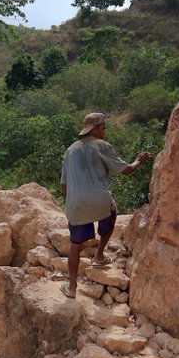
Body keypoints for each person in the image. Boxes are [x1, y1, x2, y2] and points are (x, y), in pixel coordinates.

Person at [59, 111, 151, 298]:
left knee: (74, 246)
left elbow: (64, 185)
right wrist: (138, 161)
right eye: (104, 128)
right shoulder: (102, 146)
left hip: (75, 203)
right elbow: (125, 170)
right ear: (97, 129)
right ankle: (99, 255)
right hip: (100, 201)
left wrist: (72, 204)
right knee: (112, 213)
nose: (105, 132)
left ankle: (71, 288)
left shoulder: (70, 150)